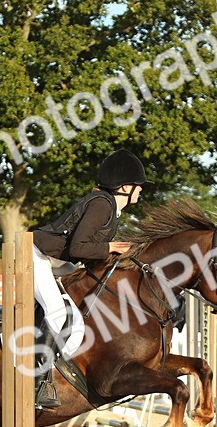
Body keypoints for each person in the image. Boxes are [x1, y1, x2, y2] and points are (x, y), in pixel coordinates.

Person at [29, 149, 152, 409]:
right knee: (57, 312)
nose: (141, 191)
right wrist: (110, 248)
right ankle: (39, 383)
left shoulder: (111, 209)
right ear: (125, 187)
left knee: (77, 307)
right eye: (138, 186)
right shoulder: (102, 205)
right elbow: (77, 248)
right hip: (36, 256)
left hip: (55, 260)